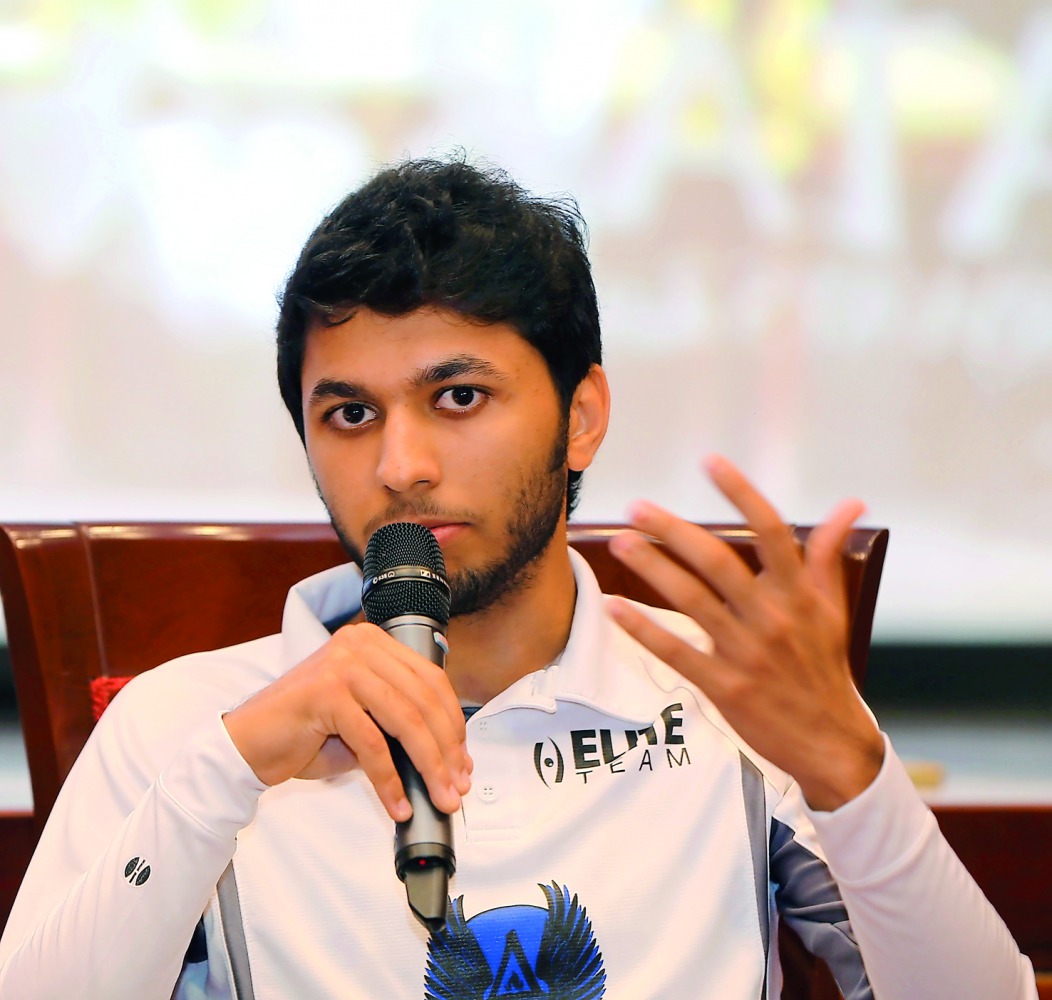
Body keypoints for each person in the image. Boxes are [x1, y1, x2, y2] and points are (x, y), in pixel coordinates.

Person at [0, 157, 1036, 999]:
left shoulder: (726, 707)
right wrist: (222, 772)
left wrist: (851, 775)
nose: (399, 464)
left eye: (456, 396)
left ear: (581, 415)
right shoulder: (193, 723)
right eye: (349, 413)